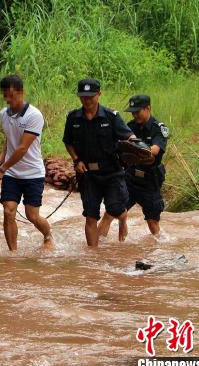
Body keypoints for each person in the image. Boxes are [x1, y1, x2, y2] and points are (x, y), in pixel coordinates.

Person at [62, 78, 135, 247]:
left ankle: (123, 219)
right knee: (90, 215)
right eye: (83, 97)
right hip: (87, 174)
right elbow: (68, 142)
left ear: (99, 94)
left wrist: (138, 145)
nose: (87, 100)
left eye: (91, 96)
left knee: (116, 209)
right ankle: (93, 257)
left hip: (112, 172)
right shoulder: (73, 118)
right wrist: (76, 159)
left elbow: (129, 136)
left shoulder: (111, 117)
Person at [0, 75, 55, 251]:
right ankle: (13, 253)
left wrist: (2, 168)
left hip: (32, 173)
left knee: (32, 215)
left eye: (12, 95)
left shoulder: (34, 115)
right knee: (8, 211)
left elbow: (22, 148)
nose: (8, 100)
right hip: (12, 173)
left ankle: (48, 236)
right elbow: (8, 141)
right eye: (5, 96)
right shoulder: (4, 114)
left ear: (21, 92)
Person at [98, 95, 169, 237]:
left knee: (152, 221)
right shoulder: (129, 127)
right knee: (111, 213)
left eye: (137, 111)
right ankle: (96, 250)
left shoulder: (159, 128)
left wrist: (138, 150)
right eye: (132, 112)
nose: (134, 115)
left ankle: (160, 251)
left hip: (150, 181)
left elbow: (154, 150)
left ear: (148, 108)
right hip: (129, 179)